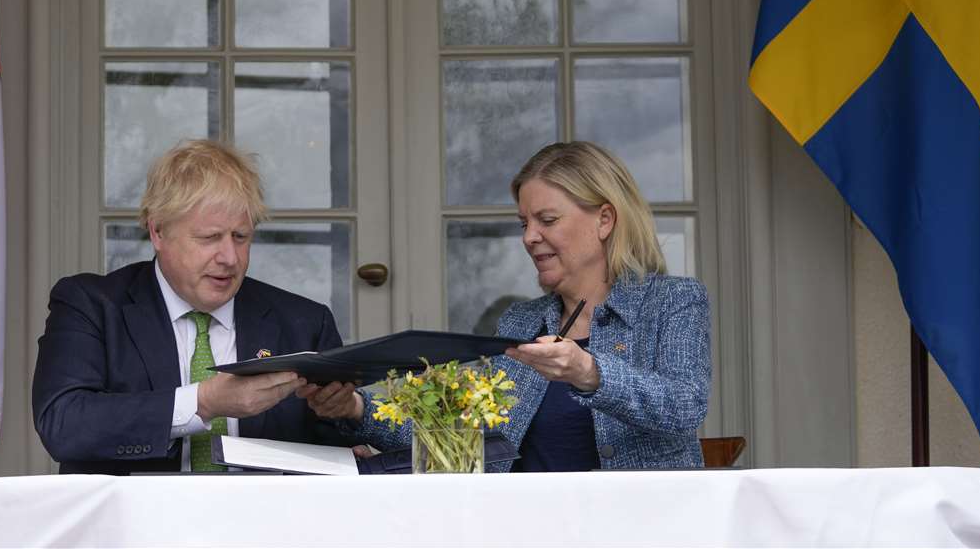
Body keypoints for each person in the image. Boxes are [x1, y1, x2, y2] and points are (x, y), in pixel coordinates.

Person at [303, 140, 711, 470]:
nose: (529, 237)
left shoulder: (672, 302)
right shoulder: (522, 320)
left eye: (547, 220)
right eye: (524, 223)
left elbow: (684, 407)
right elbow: (463, 437)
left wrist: (590, 372)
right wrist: (356, 408)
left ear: (604, 220)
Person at [32, 139, 350, 473]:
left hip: (265, 521)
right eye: (209, 238)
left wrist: (348, 414)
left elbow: (338, 456)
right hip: (135, 521)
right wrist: (203, 402)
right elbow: (63, 424)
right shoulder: (91, 305)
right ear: (157, 231)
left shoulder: (304, 323)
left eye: (240, 237)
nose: (229, 258)